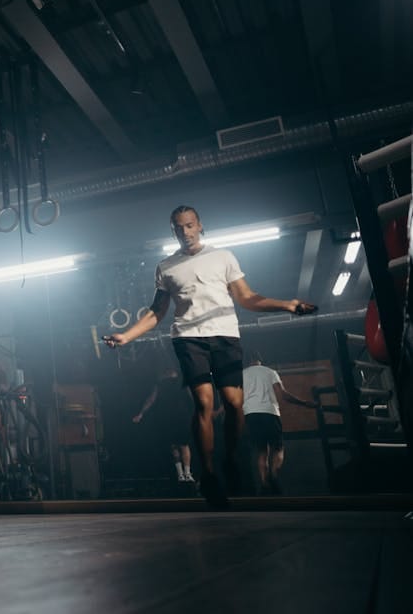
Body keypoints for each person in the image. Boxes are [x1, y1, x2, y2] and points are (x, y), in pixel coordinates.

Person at [103, 205, 316, 508]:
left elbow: (247, 298)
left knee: (233, 403)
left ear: (200, 226)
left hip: (225, 336)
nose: (185, 232)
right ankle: (210, 475)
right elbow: (157, 312)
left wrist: (287, 305)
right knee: (204, 402)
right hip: (189, 338)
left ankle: (228, 458)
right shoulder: (166, 267)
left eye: (190, 225)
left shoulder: (223, 257)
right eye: (179, 228)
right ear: (173, 231)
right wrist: (126, 336)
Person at [243, 353, 317, 495]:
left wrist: (220, 412)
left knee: (261, 451)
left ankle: (264, 484)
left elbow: (236, 397)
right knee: (278, 448)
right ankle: (274, 474)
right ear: (260, 360)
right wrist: (304, 403)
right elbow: (282, 394)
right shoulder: (270, 372)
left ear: (248, 361)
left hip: (251, 414)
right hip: (269, 413)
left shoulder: (242, 375)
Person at [132, 366, 195, 484]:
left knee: (182, 445)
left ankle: (186, 473)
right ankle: (181, 474)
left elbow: (191, 396)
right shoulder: (161, 383)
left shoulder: (180, 380)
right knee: (176, 446)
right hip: (170, 416)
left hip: (180, 416)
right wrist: (141, 413)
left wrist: (200, 410)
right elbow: (151, 399)